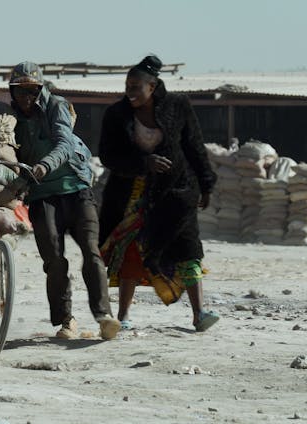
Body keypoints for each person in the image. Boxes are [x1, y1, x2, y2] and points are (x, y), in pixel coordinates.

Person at [98, 55, 219, 332]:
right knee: (131, 251)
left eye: (135, 86)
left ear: (152, 86)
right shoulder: (116, 115)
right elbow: (108, 155)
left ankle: (200, 314)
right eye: (127, 85)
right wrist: (143, 164)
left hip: (176, 193)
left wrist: (206, 184)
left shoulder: (179, 107)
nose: (130, 91)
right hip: (131, 193)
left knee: (188, 249)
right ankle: (123, 316)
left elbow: (194, 147)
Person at [8, 61, 120, 340]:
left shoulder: (55, 106)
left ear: (40, 88)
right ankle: (66, 321)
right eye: (20, 91)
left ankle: (104, 315)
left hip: (76, 188)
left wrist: (45, 165)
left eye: (32, 90)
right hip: (42, 196)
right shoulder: (11, 119)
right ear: (12, 92)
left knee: (91, 251)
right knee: (54, 260)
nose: (26, 97)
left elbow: (64, 143)